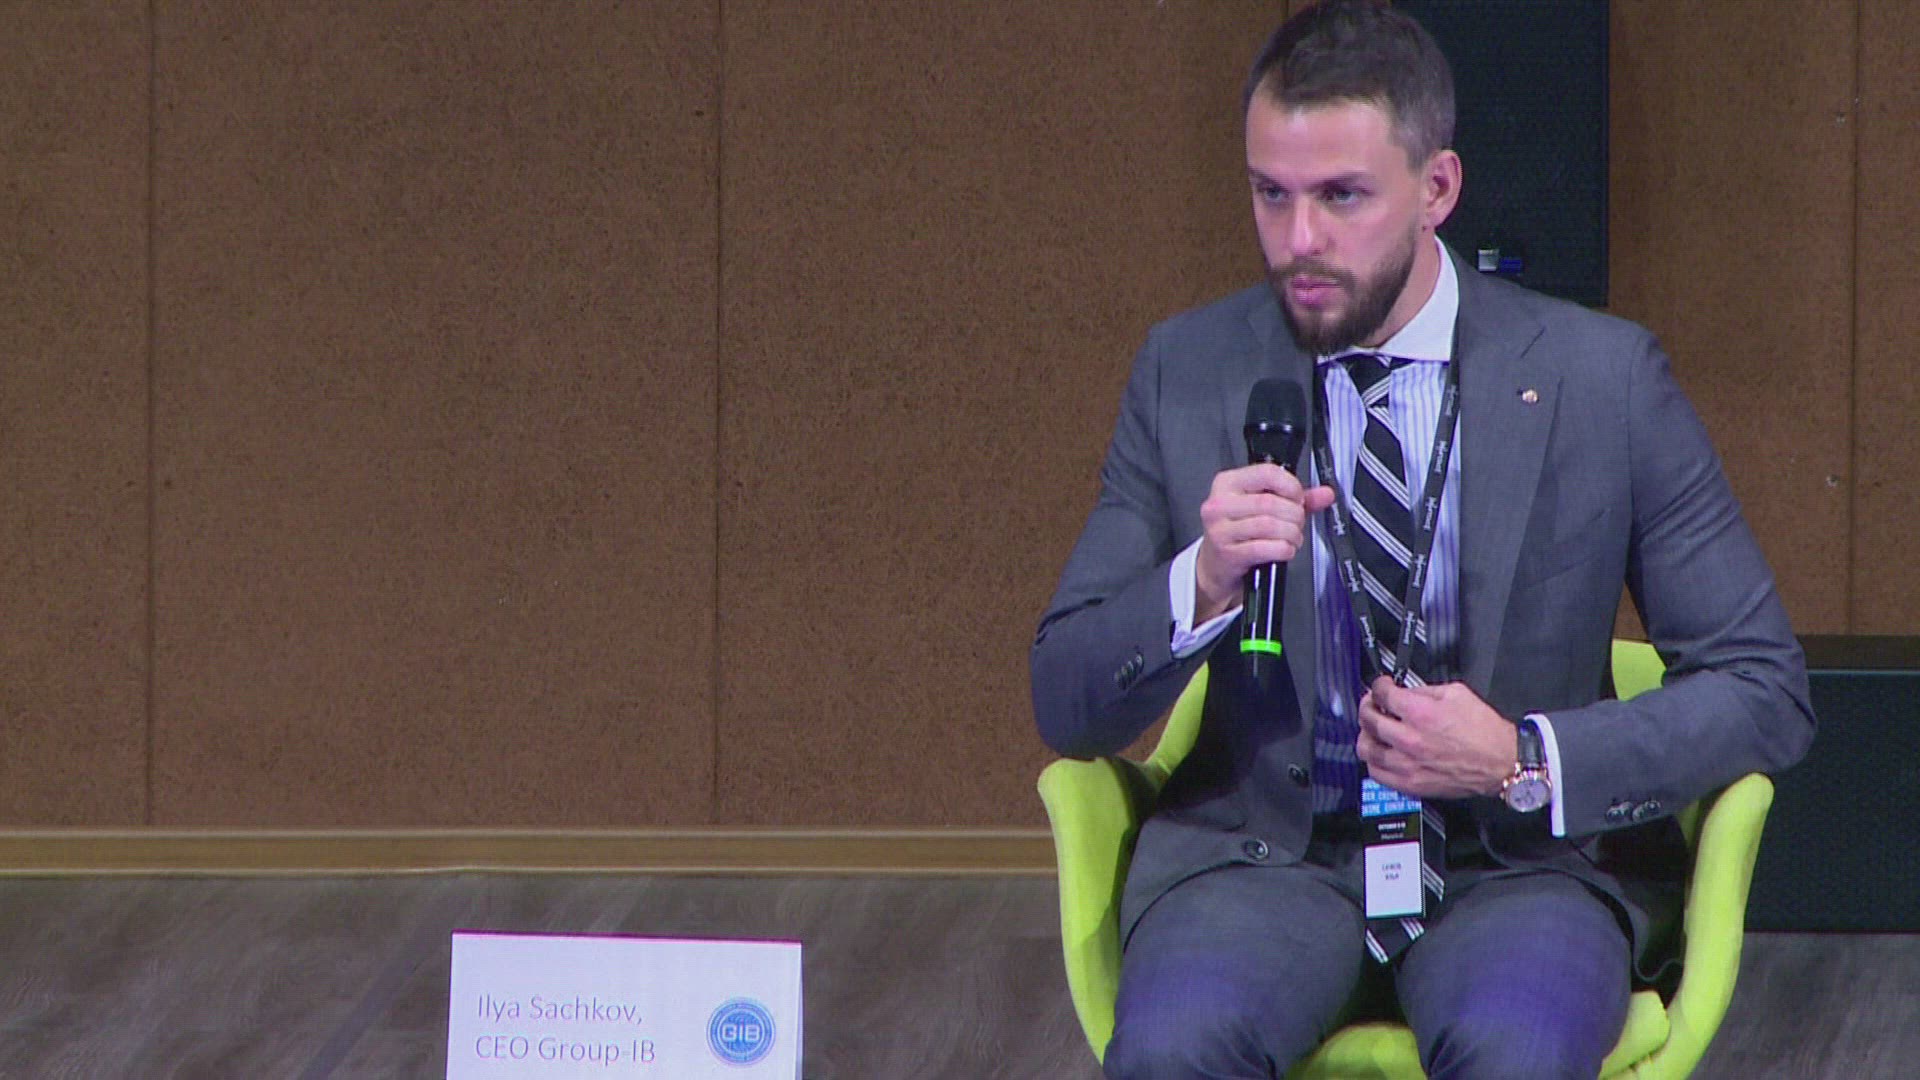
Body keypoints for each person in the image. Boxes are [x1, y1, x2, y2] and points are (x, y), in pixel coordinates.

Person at [1029, 1, 1815, 1077]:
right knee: (1174, 1049)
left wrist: (1524, 758)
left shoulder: (1601, 379)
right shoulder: (1189, 372)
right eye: (1271, 194)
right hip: (1265, 862)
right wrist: (1199, 582)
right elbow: (1065, 700)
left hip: (1516, 864)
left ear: (1437, 188)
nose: (1299, 242)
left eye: (1341, 196)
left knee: (1515, 1048)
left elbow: (1764, 688)